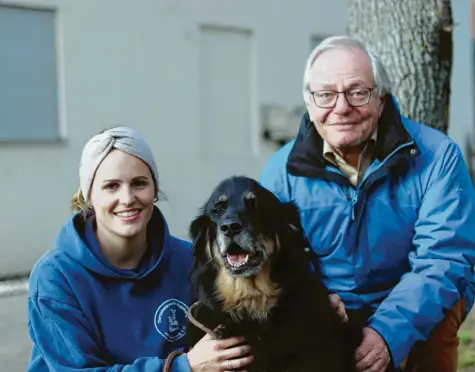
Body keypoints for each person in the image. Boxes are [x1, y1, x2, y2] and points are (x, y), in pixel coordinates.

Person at [259, 35, 475, 372]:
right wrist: (313, 300)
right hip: (330, 305)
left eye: (358, 92)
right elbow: (279, 261)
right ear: (310, 102)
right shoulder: (280, 172)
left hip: (416, 298)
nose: (342, 108)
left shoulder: (438, 156)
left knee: (440, 314)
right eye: (326, 95)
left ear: (381, 98)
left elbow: (443, 259)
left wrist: (387, 333)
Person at [26, 126, 253, 371]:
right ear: (88, 196)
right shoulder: (55, 279)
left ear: (154, 190)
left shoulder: (191, 261)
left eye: (139, 183)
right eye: (111, 186)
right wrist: (182, 367)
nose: (127, 198)